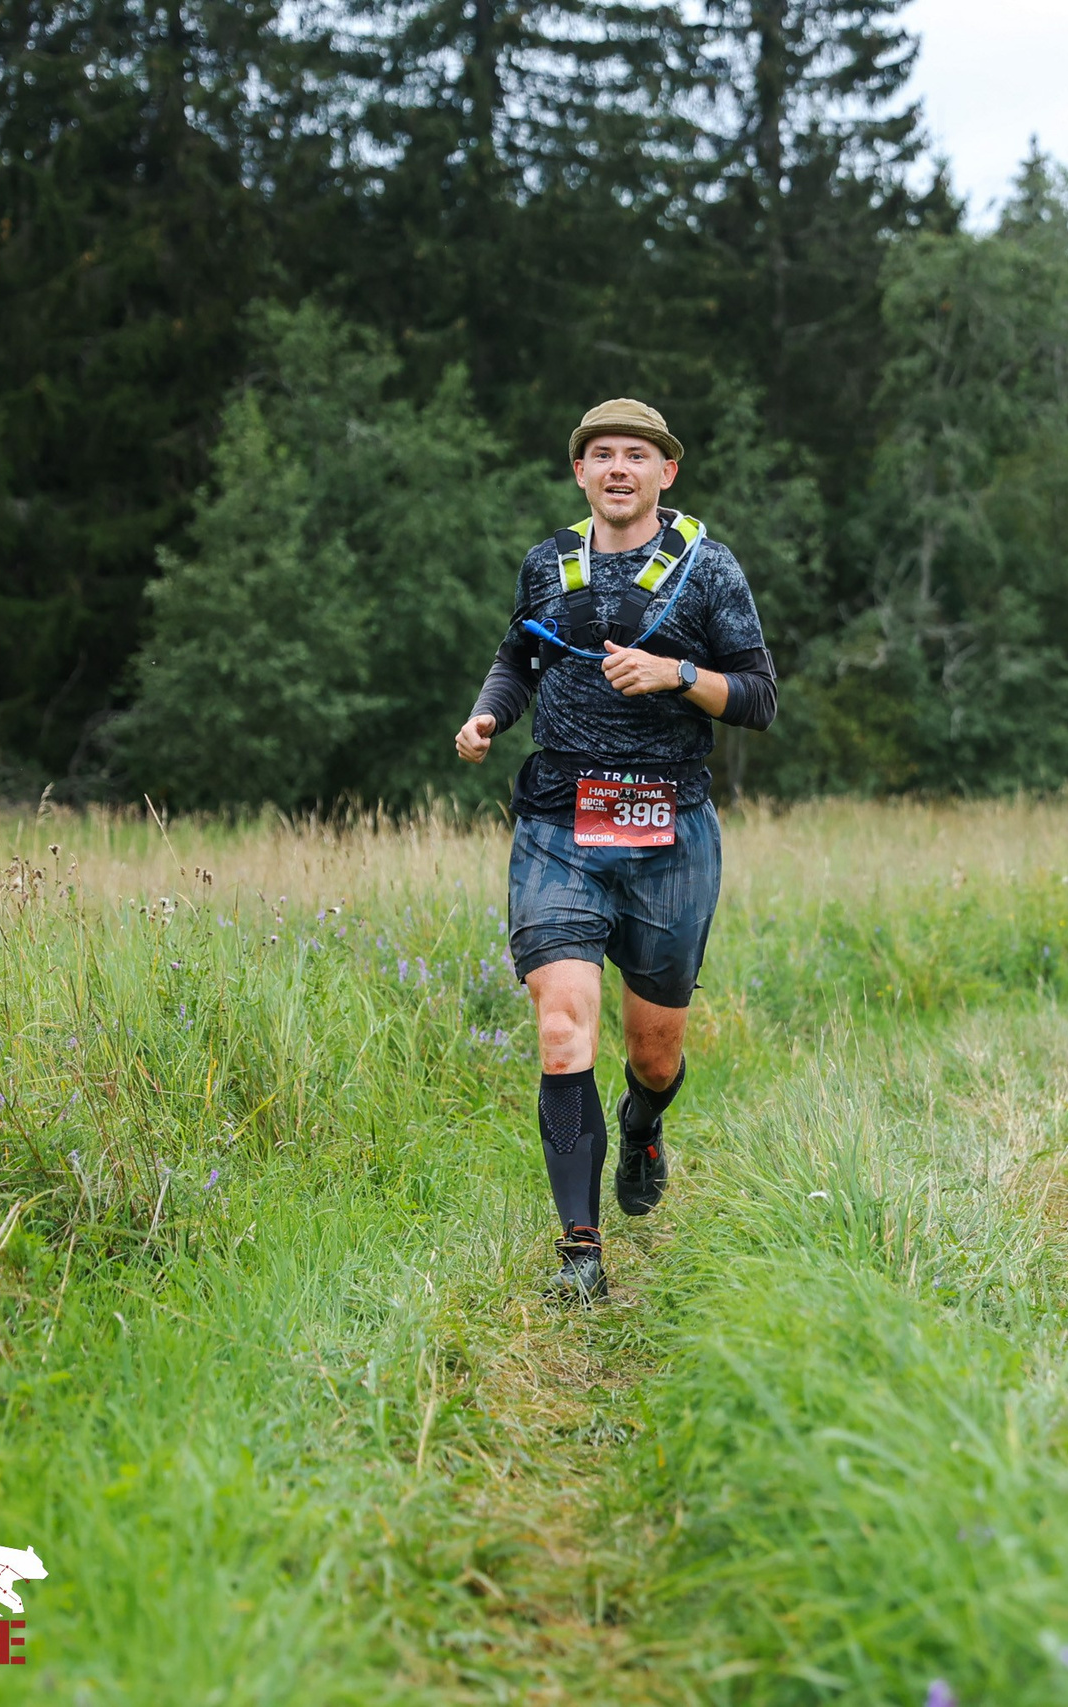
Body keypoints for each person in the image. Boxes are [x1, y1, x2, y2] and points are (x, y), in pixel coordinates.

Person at [455, 398, 776, 1301]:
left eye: (637, 454)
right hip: (559, 821)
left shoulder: (709, 569)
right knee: (562, 1032)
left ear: (667, 472)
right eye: (602, 455)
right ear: (581, 473)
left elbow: (758, 696)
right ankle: (581, 1254)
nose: (619, 467)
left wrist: (677, 674)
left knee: (655, 1054)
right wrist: (488, 714)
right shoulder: (546, 564)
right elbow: (518, 656)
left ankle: (643, 1123)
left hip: (670, 829)